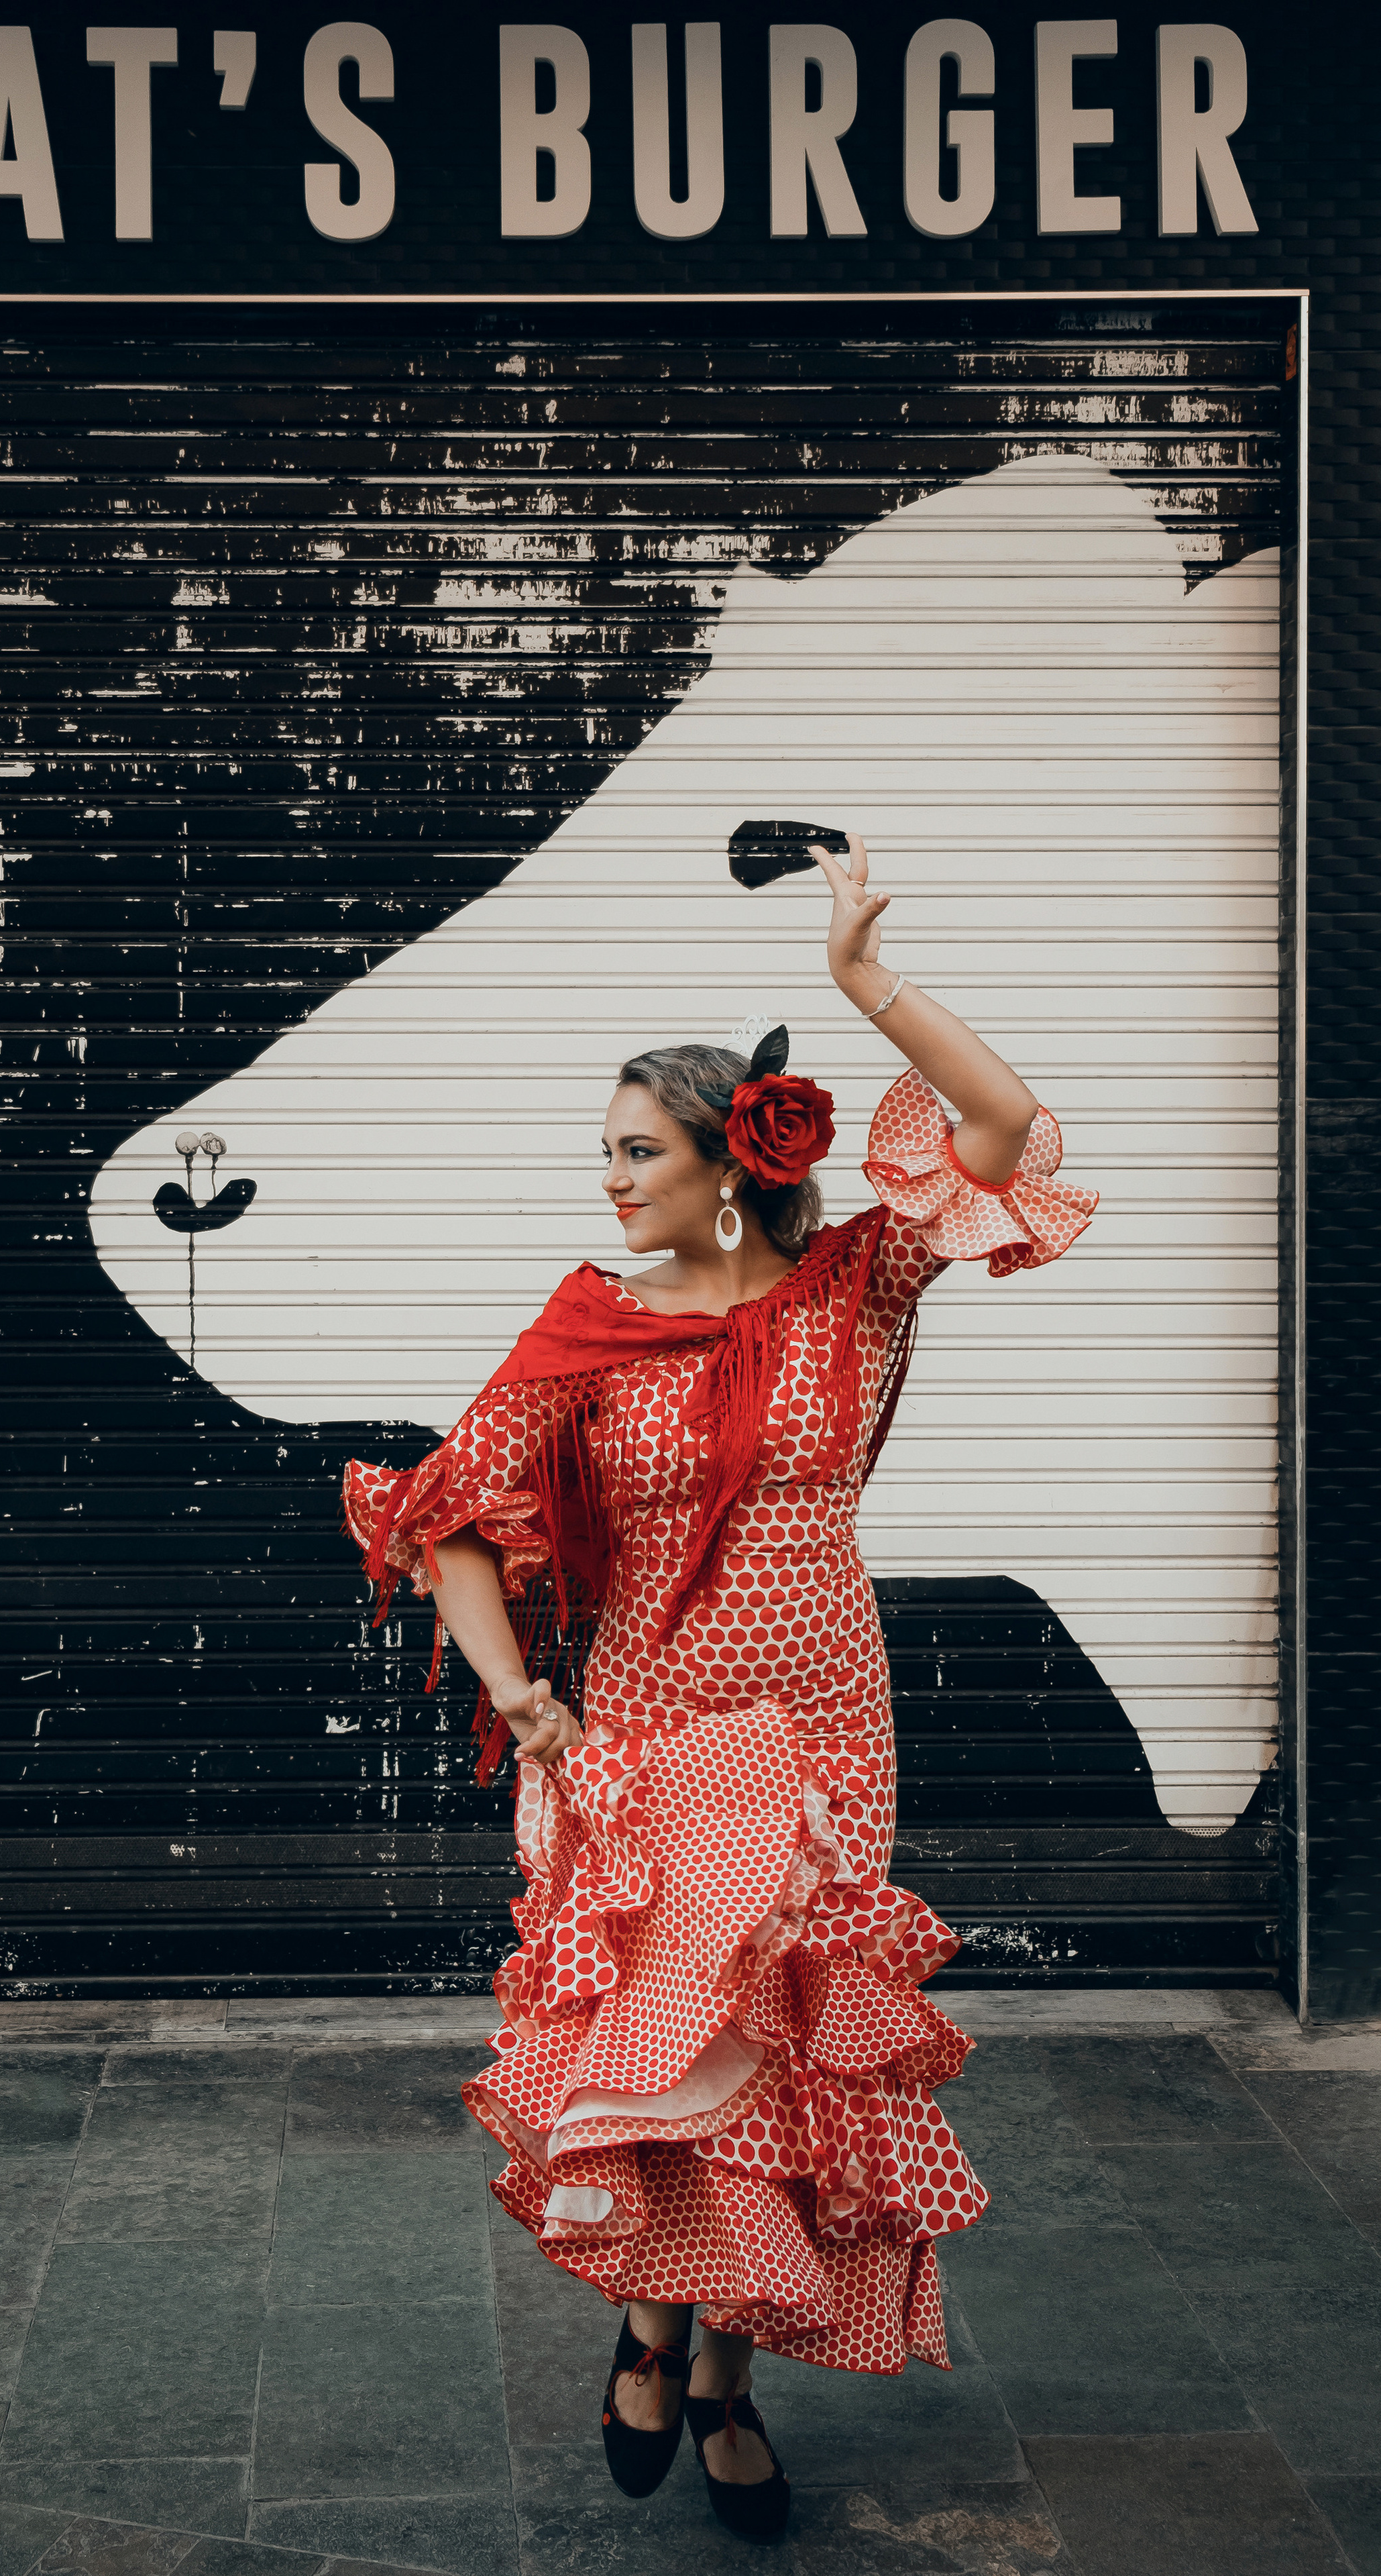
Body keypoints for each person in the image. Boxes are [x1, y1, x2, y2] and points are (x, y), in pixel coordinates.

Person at [343, 837, 1097, 2541]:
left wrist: (864, 989)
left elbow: (1006, 1137)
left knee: (771, 2051)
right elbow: (447, 1511)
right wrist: (524, 1701)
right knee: (671, 2036)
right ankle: (647, 2330)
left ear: (725, 1166)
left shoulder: (854, 1294)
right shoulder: (589, 1320)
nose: (609, 1182)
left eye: (636, 1153)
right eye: (605, 1154)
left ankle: (717, 2376)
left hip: (829, 1714)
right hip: (660, 1729)